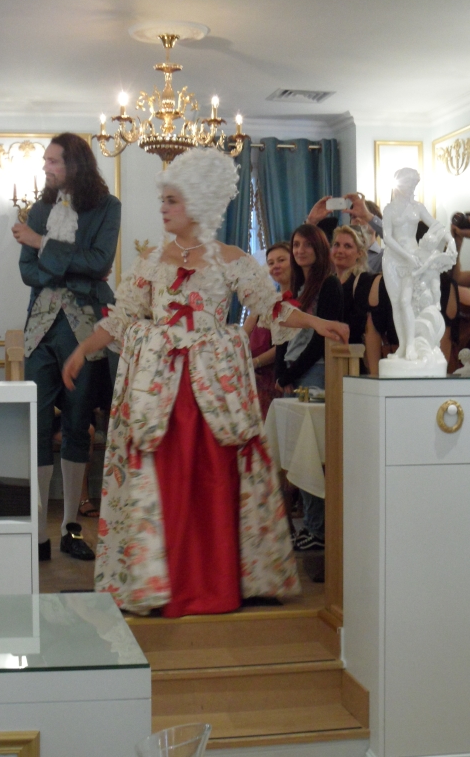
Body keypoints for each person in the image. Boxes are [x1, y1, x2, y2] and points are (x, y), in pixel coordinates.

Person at [62, 148, 348, 618]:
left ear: (197, 203)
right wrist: (81, 350)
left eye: (172, 200)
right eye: (164, 199)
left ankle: (216, 580)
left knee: (213, 477)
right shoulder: (151, 262)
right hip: (160, 392)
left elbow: (273, 307)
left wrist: (317, 323)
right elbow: (121, 318)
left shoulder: (231, 259)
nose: (163, 208)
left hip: (215, 390)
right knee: (166, 476)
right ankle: (159, 580)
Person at [12, 132, 120, 563]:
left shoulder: (108, 207)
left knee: (78, 427)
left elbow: (100, 262)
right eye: (45, 161)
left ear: (74, 164)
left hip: (85, 328)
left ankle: (71, 529)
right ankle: (38, 532)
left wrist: (43, 246)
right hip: (39, 330)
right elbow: (27, 272)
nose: (45, 167)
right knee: (37, 428)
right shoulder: (38, 210)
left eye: (52, 161)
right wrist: (69, 267)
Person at [275, 224, 343, 553]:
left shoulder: (328, 284)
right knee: (295, 454)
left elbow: (320, 339)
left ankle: (318, 528)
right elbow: (281, 331)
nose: (300, 250)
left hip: (314, 371)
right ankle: (311, 525)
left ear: (318, 247)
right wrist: (281, 371)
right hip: (293, 370)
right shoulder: (296, 287)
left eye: (306, 245)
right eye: (296, 244)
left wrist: (292, 372)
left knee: (311, 453)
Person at [380, 168, 455, 362]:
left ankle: (412, 344)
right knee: (396, 303)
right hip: (394, 259)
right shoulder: (389, 209)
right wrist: (406, 255)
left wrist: (451, 240)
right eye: (409, 184)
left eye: (414, 185)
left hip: (414, 258)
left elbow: (436, 225)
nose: (412, 188)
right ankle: (403, 345)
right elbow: (387, 238)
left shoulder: (418, 207)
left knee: (407, 301)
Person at [243, 242, 291, 419]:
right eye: (271, 263)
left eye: (281, 260)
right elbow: (243, 335)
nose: (275, 266)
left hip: (276, 377)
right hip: (255, 379)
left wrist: (255, 362)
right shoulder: (267, 300)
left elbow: (284, 344)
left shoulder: (298, 299)